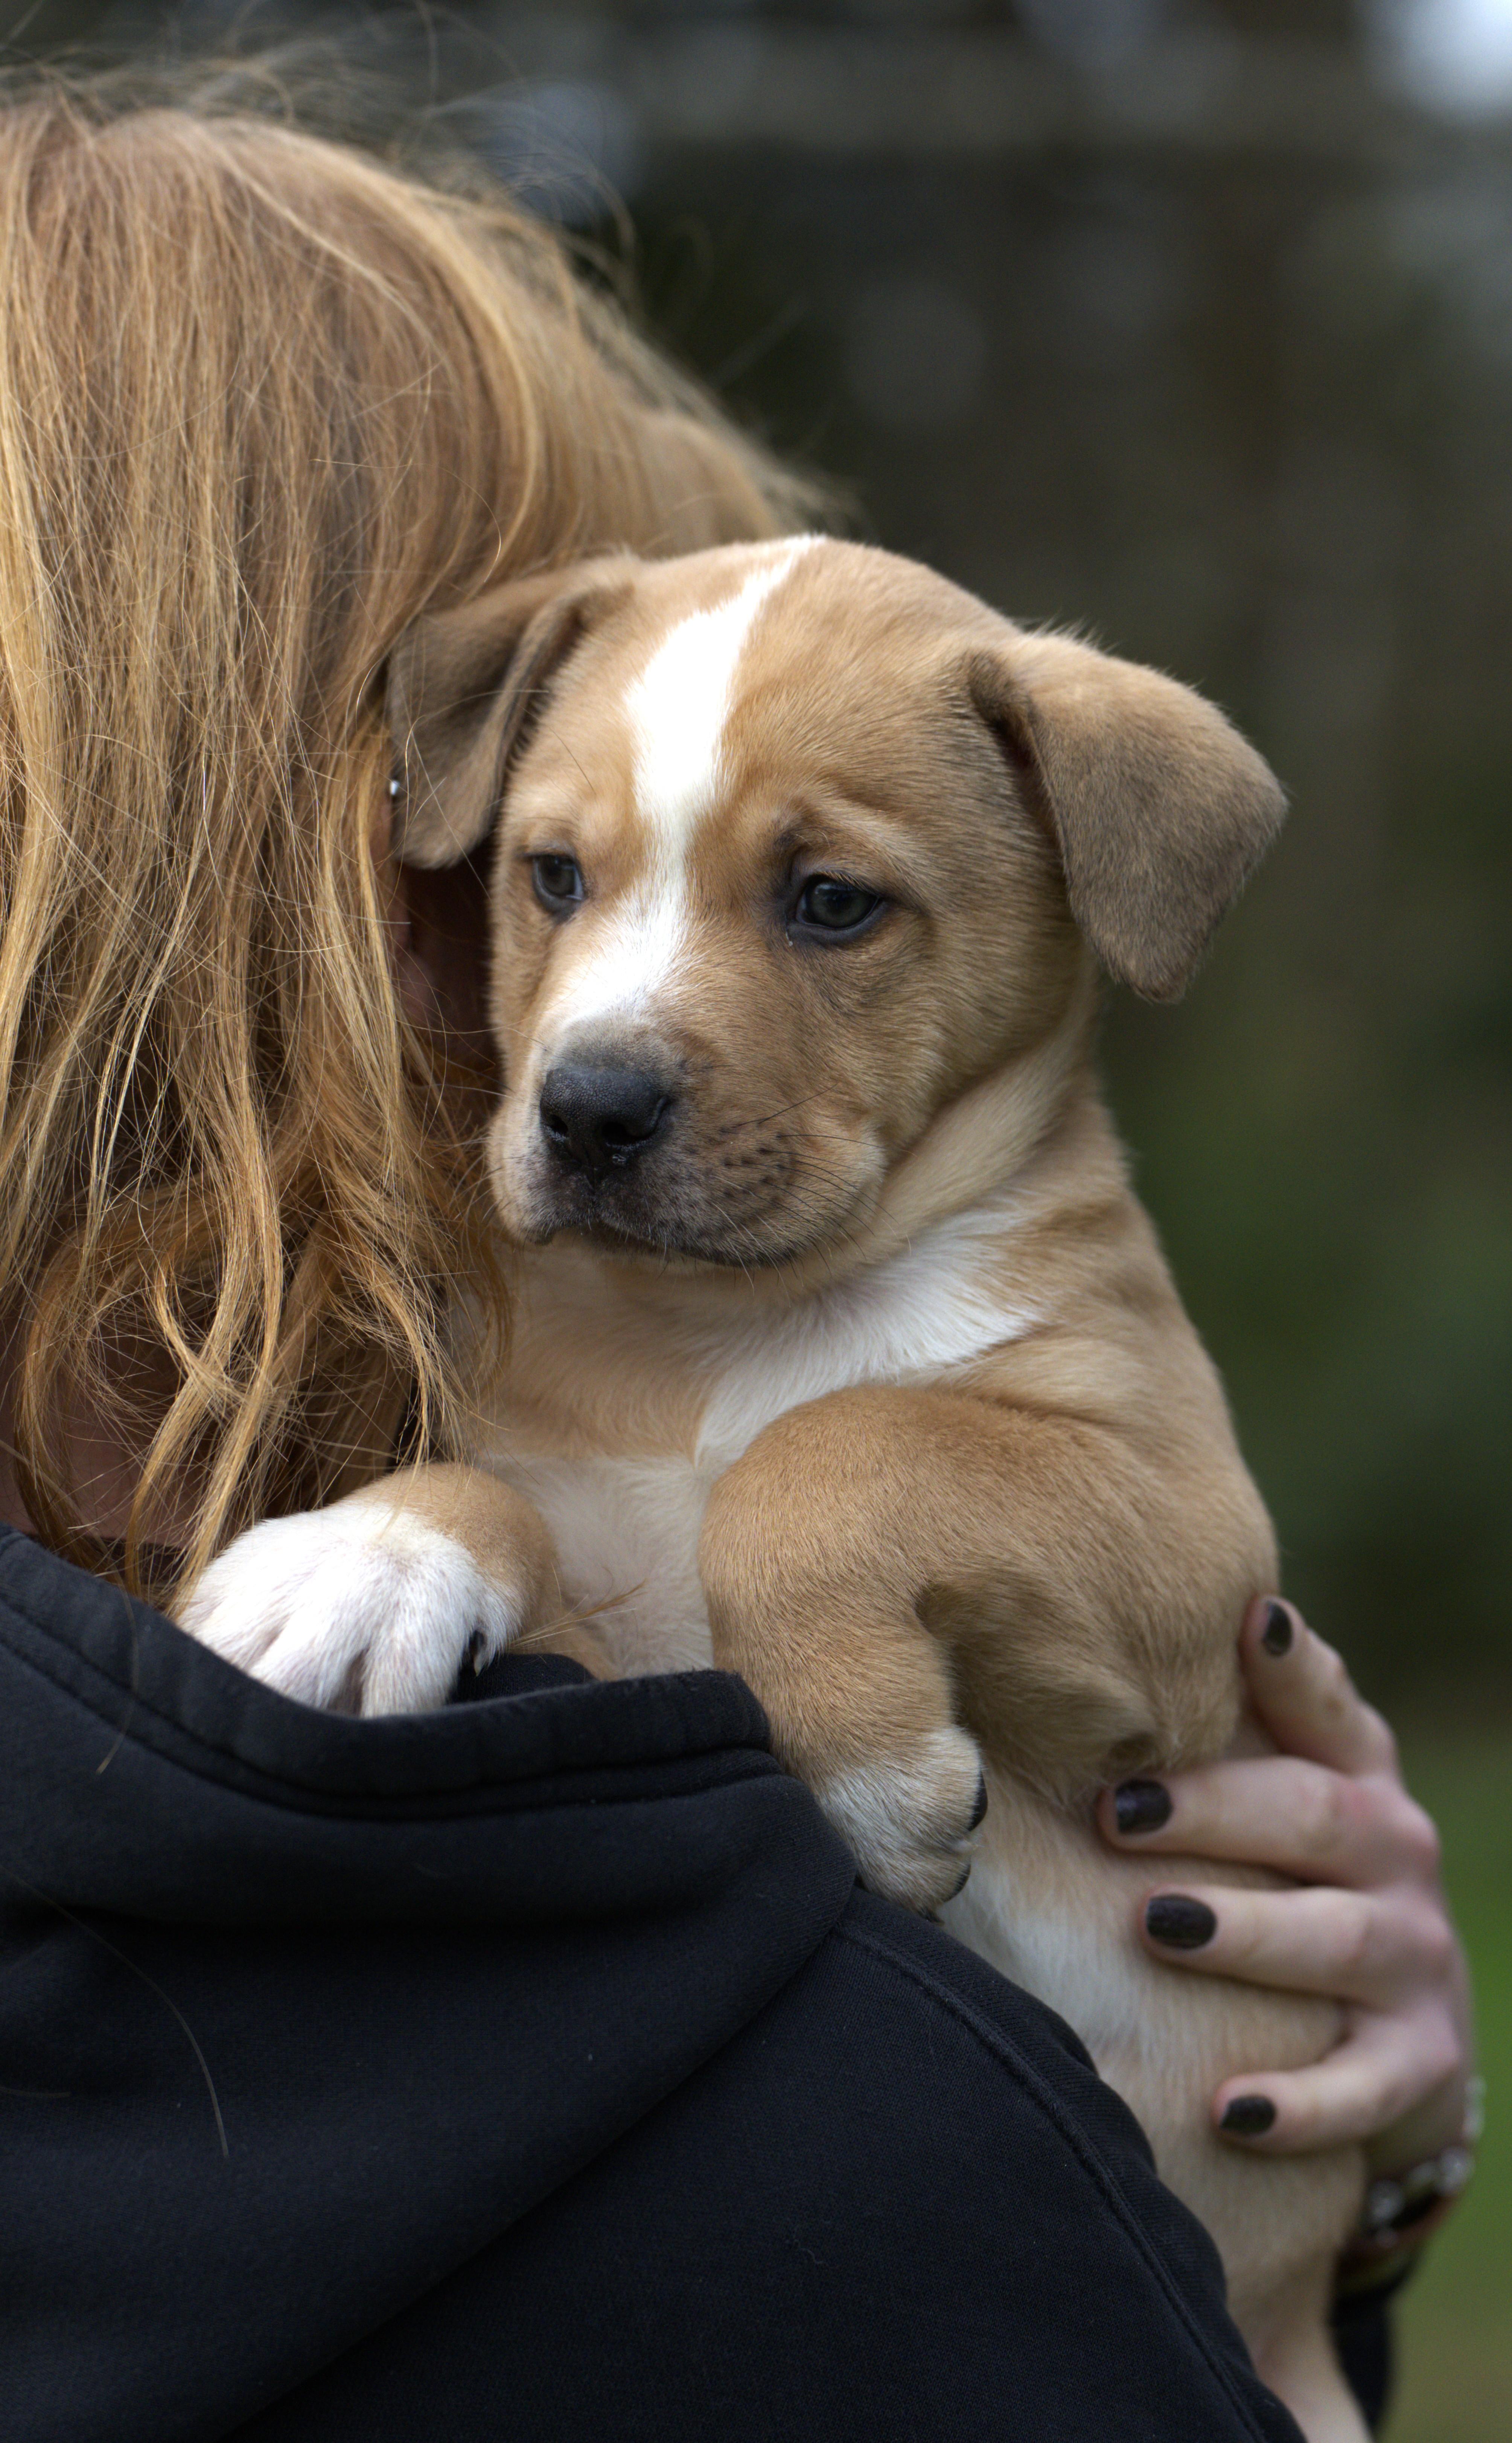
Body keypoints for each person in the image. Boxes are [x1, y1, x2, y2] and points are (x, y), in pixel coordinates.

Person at [0, 74, 1473, 2440]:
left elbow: (1171, 1580)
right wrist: (438, 1529)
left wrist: (1381, 2181)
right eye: (553, 881)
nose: (603, 1044)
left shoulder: (1014, 1268)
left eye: (822, 907)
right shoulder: (479, 1343)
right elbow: (578, 1545)